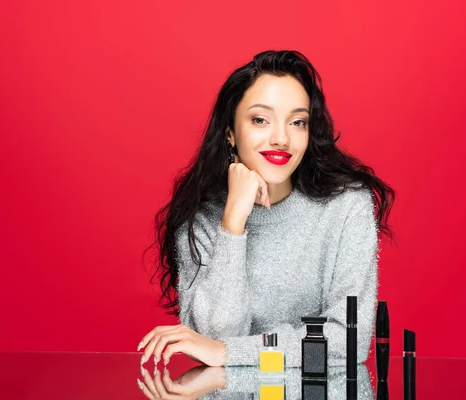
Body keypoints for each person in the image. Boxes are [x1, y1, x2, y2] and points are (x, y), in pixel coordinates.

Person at [138, 50, 395, 370]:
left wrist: (233, 353)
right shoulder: (202, 221)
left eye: (297, 122)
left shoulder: (346, 208)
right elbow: (215, 336)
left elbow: (347, 342)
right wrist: (233, 222)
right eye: (260, 119)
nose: (281, 138)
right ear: (230, 133)